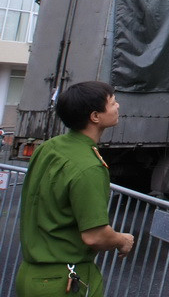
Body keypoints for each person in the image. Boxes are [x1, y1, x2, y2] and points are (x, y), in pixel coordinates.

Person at [15, 81, 135, 297]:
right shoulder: (89, 167)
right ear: (95, 116)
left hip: (30, 276)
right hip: (65, 281)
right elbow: (95, 236)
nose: (118, 106)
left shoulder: (49, 148)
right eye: (112, 103)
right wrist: (122, 240)